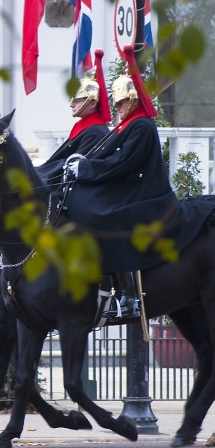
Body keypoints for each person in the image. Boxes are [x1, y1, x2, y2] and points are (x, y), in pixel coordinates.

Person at [62, 63, 215, 310]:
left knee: (108, 218)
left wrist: (86, 169)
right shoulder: (129, 124)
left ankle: (129, 291)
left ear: (132, 100)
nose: (117, 108)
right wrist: (83, 162)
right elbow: (107, 155)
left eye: (121, 103)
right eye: (116, 103)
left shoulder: (142, 126)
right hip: (131, 191)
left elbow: (123, 162)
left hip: (147, 196)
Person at [37, 56, 112, 187]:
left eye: (77, 100)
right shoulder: (85, 127)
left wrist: (43, 175)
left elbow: (71, 166)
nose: (72, 105)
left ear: (92, 103)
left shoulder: (95, 132)